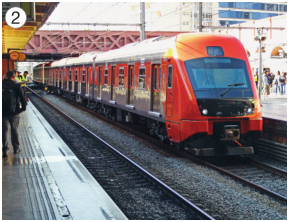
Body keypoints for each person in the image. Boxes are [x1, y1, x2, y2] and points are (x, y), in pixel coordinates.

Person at [2, 71, 27, 158]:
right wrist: (23, 108)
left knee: (4, 130)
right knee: (14, 129)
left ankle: (4, 149)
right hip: (14, 111)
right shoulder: (16, 85)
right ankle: (16, 148)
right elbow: (22, 98)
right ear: (13, 77)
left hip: (2, 112)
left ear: (5, 76)